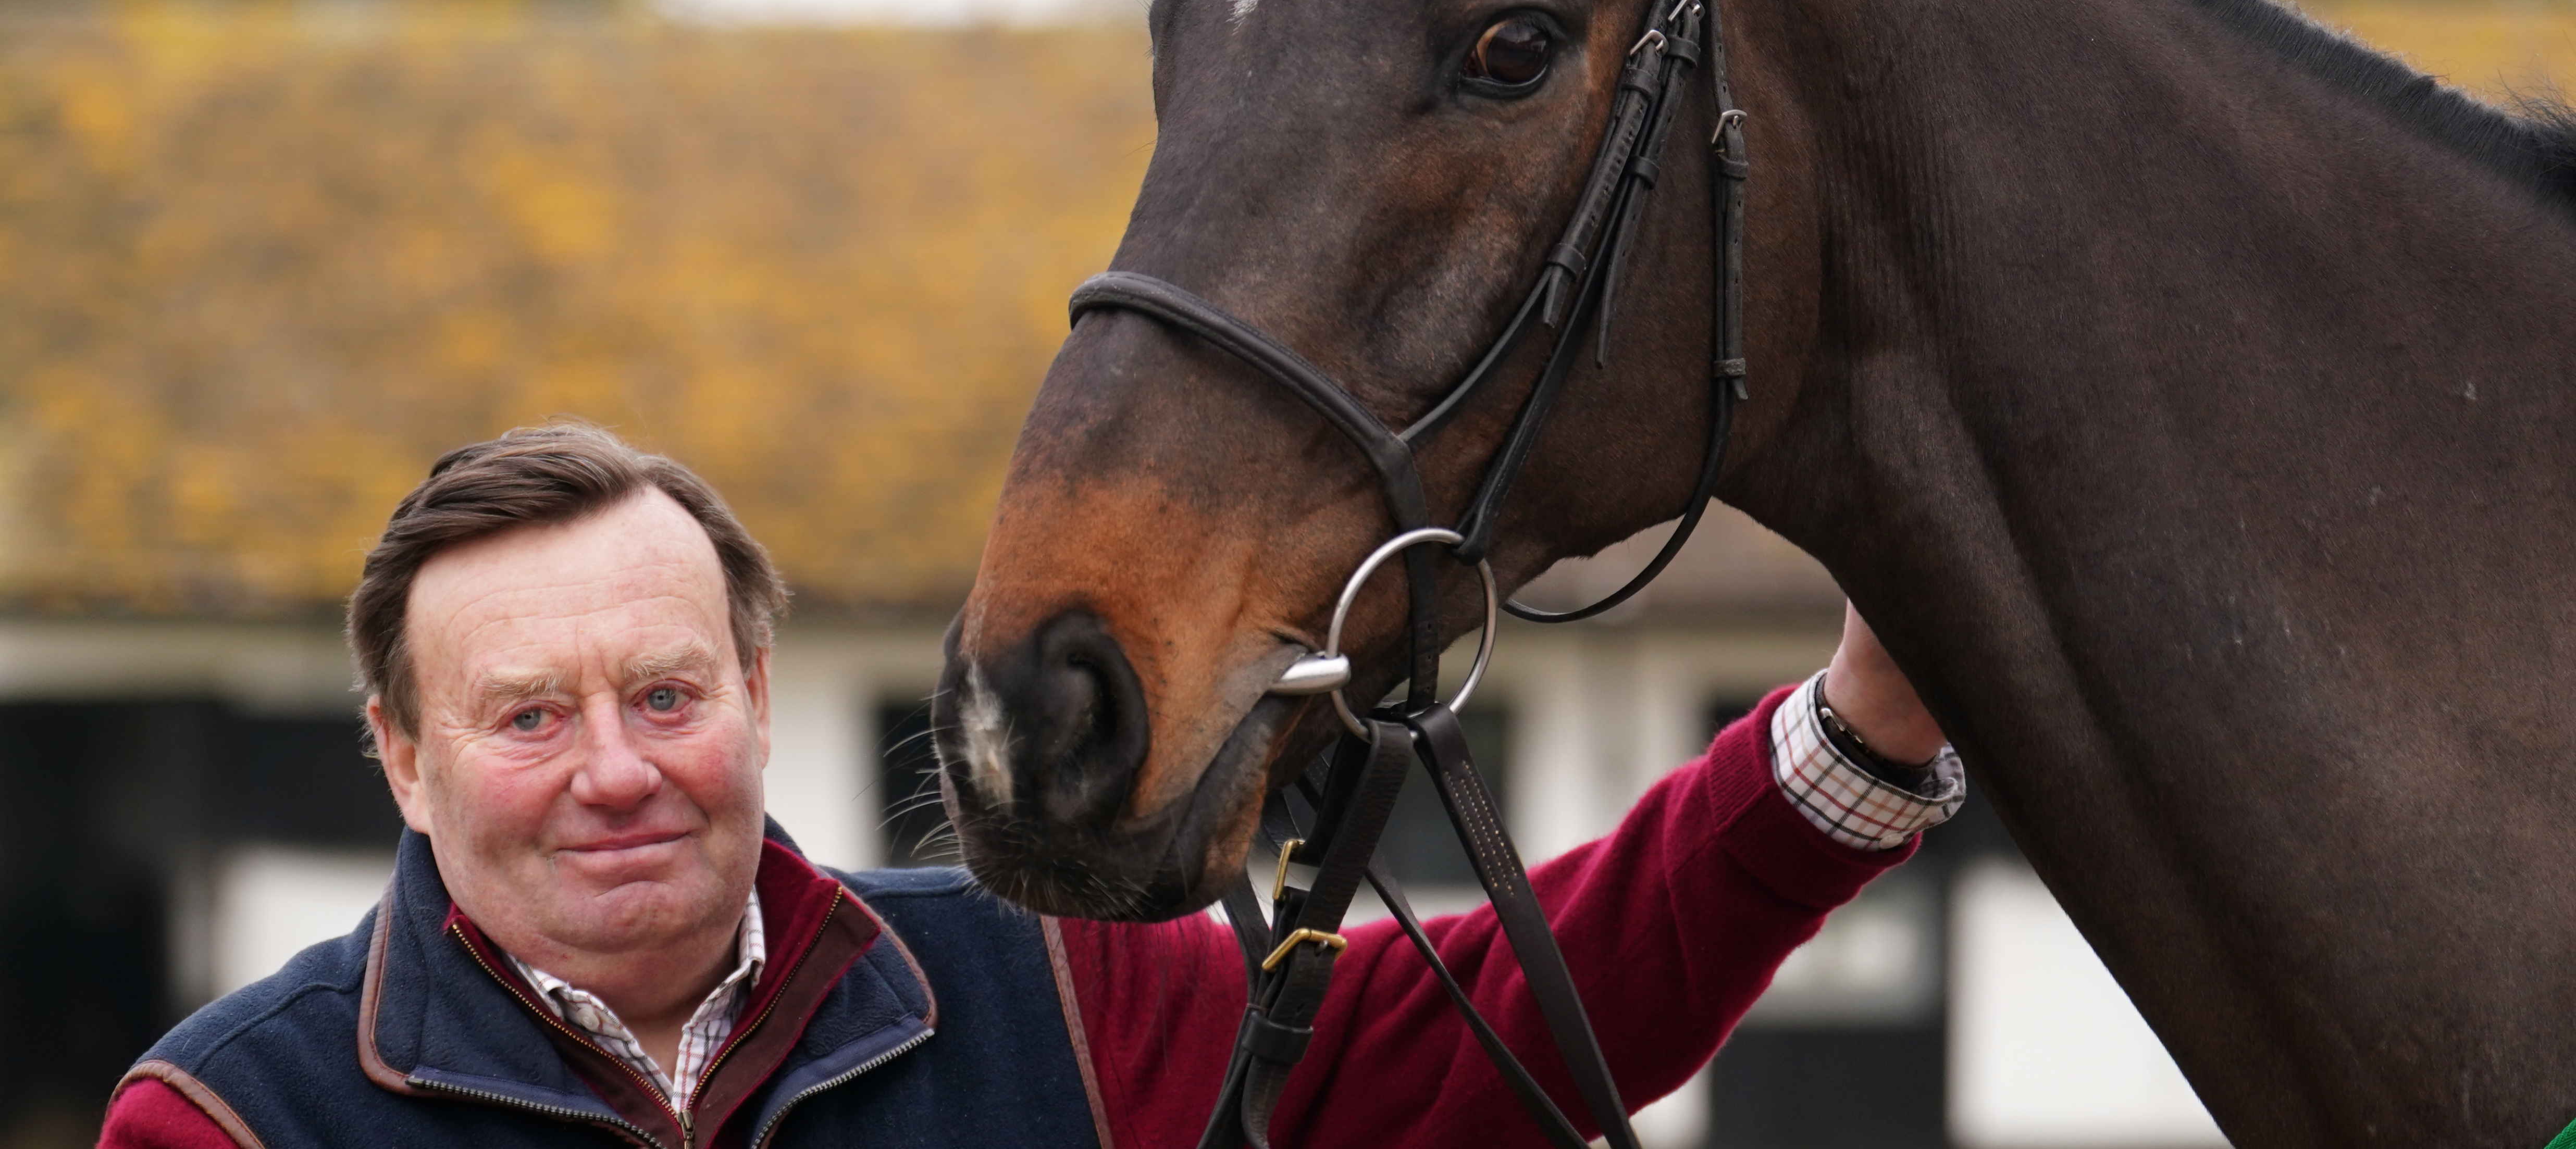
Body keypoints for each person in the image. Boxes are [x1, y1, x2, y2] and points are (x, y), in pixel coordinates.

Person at [100, 421, 1961, 1149]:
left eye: (666, 691)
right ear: (404, 763)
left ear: (756, 694)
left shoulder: (1052, 983)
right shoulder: (225, 1127)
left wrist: (1863, 738)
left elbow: (1517, 1018)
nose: (615, 773)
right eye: (525, 719)